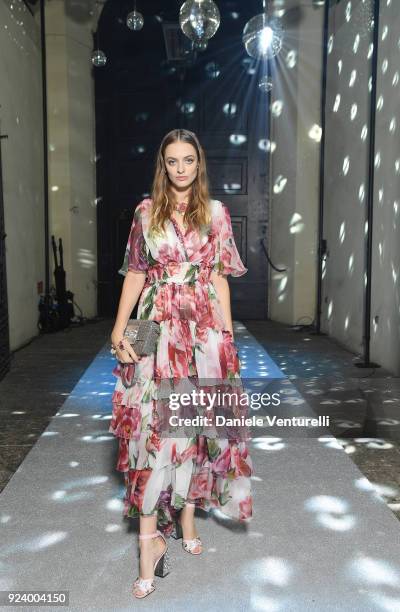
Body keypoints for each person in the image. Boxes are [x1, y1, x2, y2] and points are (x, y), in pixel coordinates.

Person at [109, 128, 253, 599]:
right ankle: (148, 548)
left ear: (199, 163)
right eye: (172, 161)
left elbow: (219, 279)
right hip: (153, 324)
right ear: (163, 166)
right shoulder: (145, 212)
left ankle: (188, 517)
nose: (181, 168)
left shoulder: (216, 214)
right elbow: (135, 272)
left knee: (192, 428)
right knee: (150, 431)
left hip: (202, 330)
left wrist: (227, 337)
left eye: (188, 160)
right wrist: (119, 327)